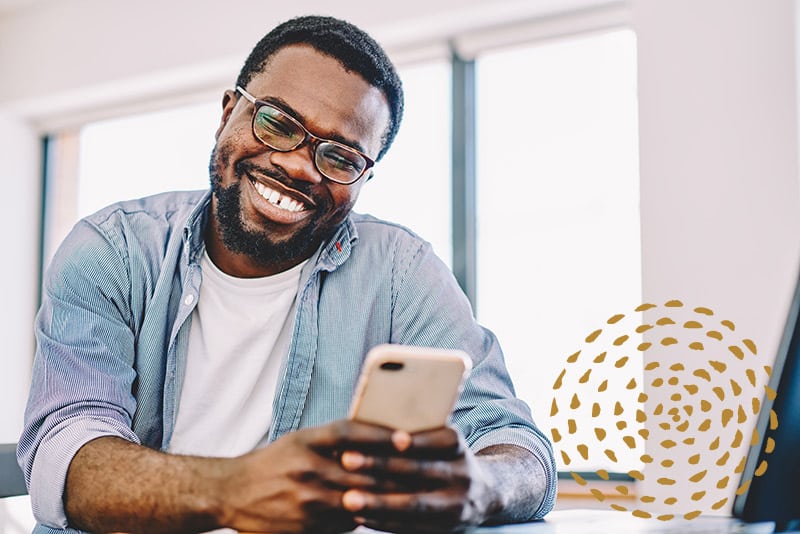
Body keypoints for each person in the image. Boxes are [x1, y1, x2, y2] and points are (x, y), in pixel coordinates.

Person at [18, 15, 557, 534]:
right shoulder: (112, 250)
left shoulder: (402, 272)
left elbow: (517, 448)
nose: (299, 167)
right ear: (229, 111)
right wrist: (234, 490)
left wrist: (480, 487)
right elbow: (66, 452)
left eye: (340, 157)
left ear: (364, 177)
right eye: (277, 123)